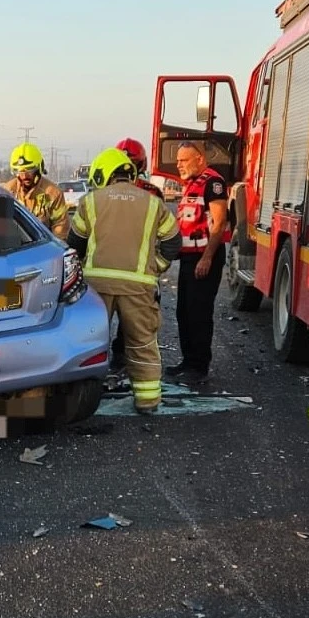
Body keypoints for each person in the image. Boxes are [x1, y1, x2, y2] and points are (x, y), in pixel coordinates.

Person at [68, 147, 181, 413]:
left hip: (96, 288)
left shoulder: (91, 201)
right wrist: (155, 267)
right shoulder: (152, 202)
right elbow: (173, 242)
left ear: (102, 173)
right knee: (142, 343)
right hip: (139, 287)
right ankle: (148, 401)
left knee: (88, 343)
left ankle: (81, 402)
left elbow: (75, 244)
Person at [165, 140, 229, 383]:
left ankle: (199, 367)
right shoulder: (191, 183)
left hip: (205, 259)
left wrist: (207, 258)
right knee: (184, 312)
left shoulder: (212, 182)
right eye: (178, 160)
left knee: (199, 313)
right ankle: (188, 361)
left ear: (200, 159)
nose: (178, 165)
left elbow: (219, 222)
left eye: (184, 160)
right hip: (190, 258)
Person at [108, 138, 164, 369]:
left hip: (112, 265)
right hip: (138, 268)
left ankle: (118, 356)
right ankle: (128, 358)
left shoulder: (104, 192)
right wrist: (158, 265)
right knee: (137, 321)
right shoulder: (151, 193)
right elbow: (167, 235)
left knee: (108, 317)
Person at [4, 142, 69, 238]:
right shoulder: (7, 192)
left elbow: (60, 228)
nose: (24, 176)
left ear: (39, 168)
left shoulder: (53, 194)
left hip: (43, 248)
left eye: (29, 170)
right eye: (20, 171)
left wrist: (54, 250)